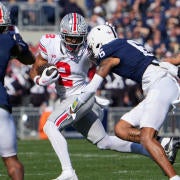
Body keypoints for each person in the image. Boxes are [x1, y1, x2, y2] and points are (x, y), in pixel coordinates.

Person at [30, 13, 178, 180]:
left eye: (77, 38)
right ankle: (156, 149)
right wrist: (41, 78)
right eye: (70, 38)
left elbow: (107, 65)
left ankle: (68, 172)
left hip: (81, 97)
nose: (73, 42)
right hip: (68, 99)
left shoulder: (89, 50)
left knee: (51, 126)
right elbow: (36, 67)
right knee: (104, 142)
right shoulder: (49, 42)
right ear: (62, 34)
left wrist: (92, 92)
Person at [68, 24, 180, 179]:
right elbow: (164, 61)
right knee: (121, 129)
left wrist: (84, 96)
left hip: (159, 83)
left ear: (98, 41)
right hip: (160, 81)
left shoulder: (110, 49)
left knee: (146, 138)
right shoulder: (123, 44)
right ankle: (163, 142)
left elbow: (107, 65)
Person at [0, 2, 35, 180]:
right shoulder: (9, 38)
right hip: (0, 104)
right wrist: (16, 45)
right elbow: (29, 59)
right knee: (12, 161)